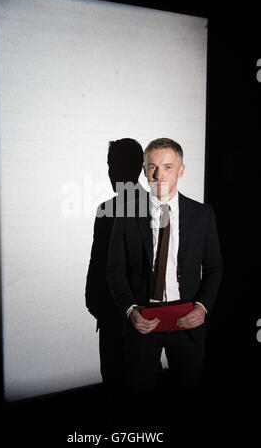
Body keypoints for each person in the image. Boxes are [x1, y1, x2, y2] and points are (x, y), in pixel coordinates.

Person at [106, 138, 223, 428]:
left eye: (167, 167)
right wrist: (131, 310)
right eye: (153, 168)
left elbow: (214, 267)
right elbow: (114, 268)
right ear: (143, 170)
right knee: (138, 404)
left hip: (189, 323)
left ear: (181, 170)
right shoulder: (124, 213)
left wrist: (203, 307)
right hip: (142, 322)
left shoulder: (202, 214)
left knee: (190, 400)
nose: (159, 176)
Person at [85, 138, 146, 427]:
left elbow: (97, 269)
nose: (109, 172)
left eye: (112, 165)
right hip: (146, 319)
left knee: (116, 391)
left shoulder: (106, 211)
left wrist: (99, 307)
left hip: (113, 316)